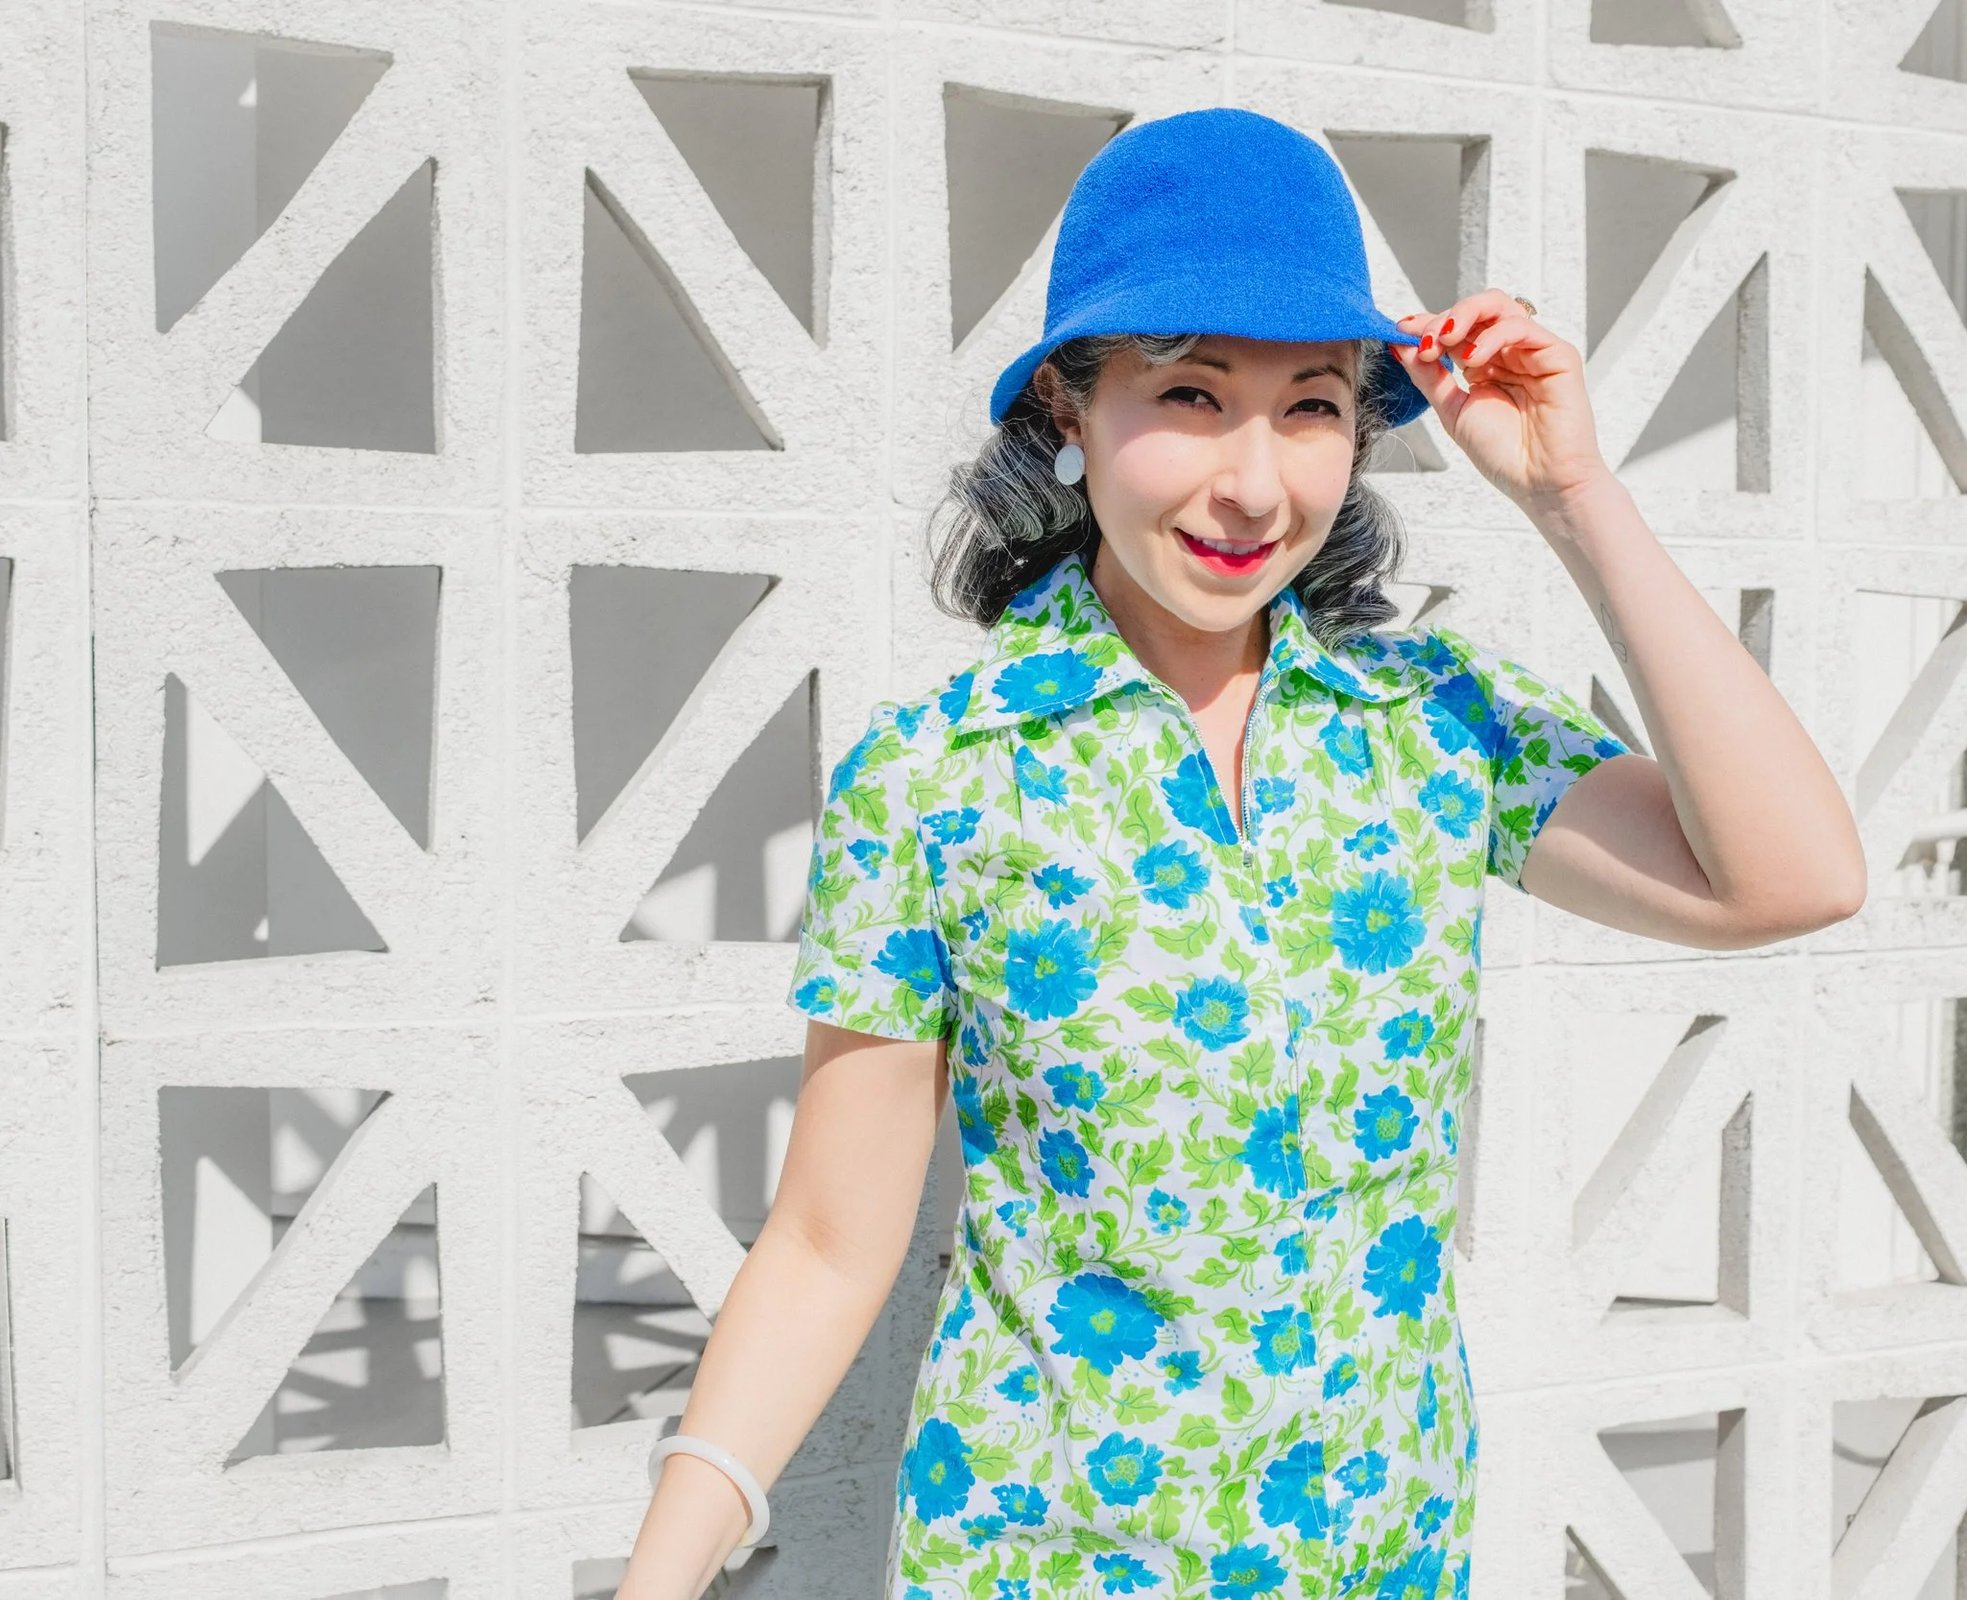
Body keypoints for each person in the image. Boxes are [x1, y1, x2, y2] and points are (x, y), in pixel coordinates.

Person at [614, 107, 1864, 1600]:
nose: (1258, 485)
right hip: (1047, 1560)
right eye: (1193, 397)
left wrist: (1570, 496)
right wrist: (660, 1580)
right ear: (1068, 413)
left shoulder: (1434, 729)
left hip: (1379, 1554)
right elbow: (827, 1243)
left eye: (1315, 405)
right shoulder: (943, 776)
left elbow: (1791, 878)